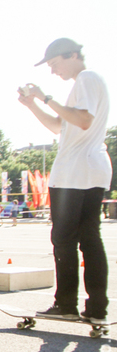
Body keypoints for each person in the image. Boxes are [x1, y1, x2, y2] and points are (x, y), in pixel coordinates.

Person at [19, 38, 111, 323]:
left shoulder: (86, 78)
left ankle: (66, 304)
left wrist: (45, 97)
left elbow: (82, 120)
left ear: (73, 55)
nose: (53, 71)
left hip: (75, 172)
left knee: (64, 239)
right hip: (92, 168)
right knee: (90, 238)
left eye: (55, 64)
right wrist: (32, 105)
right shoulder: (87, 84)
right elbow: (60, 126)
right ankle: (96, 308)